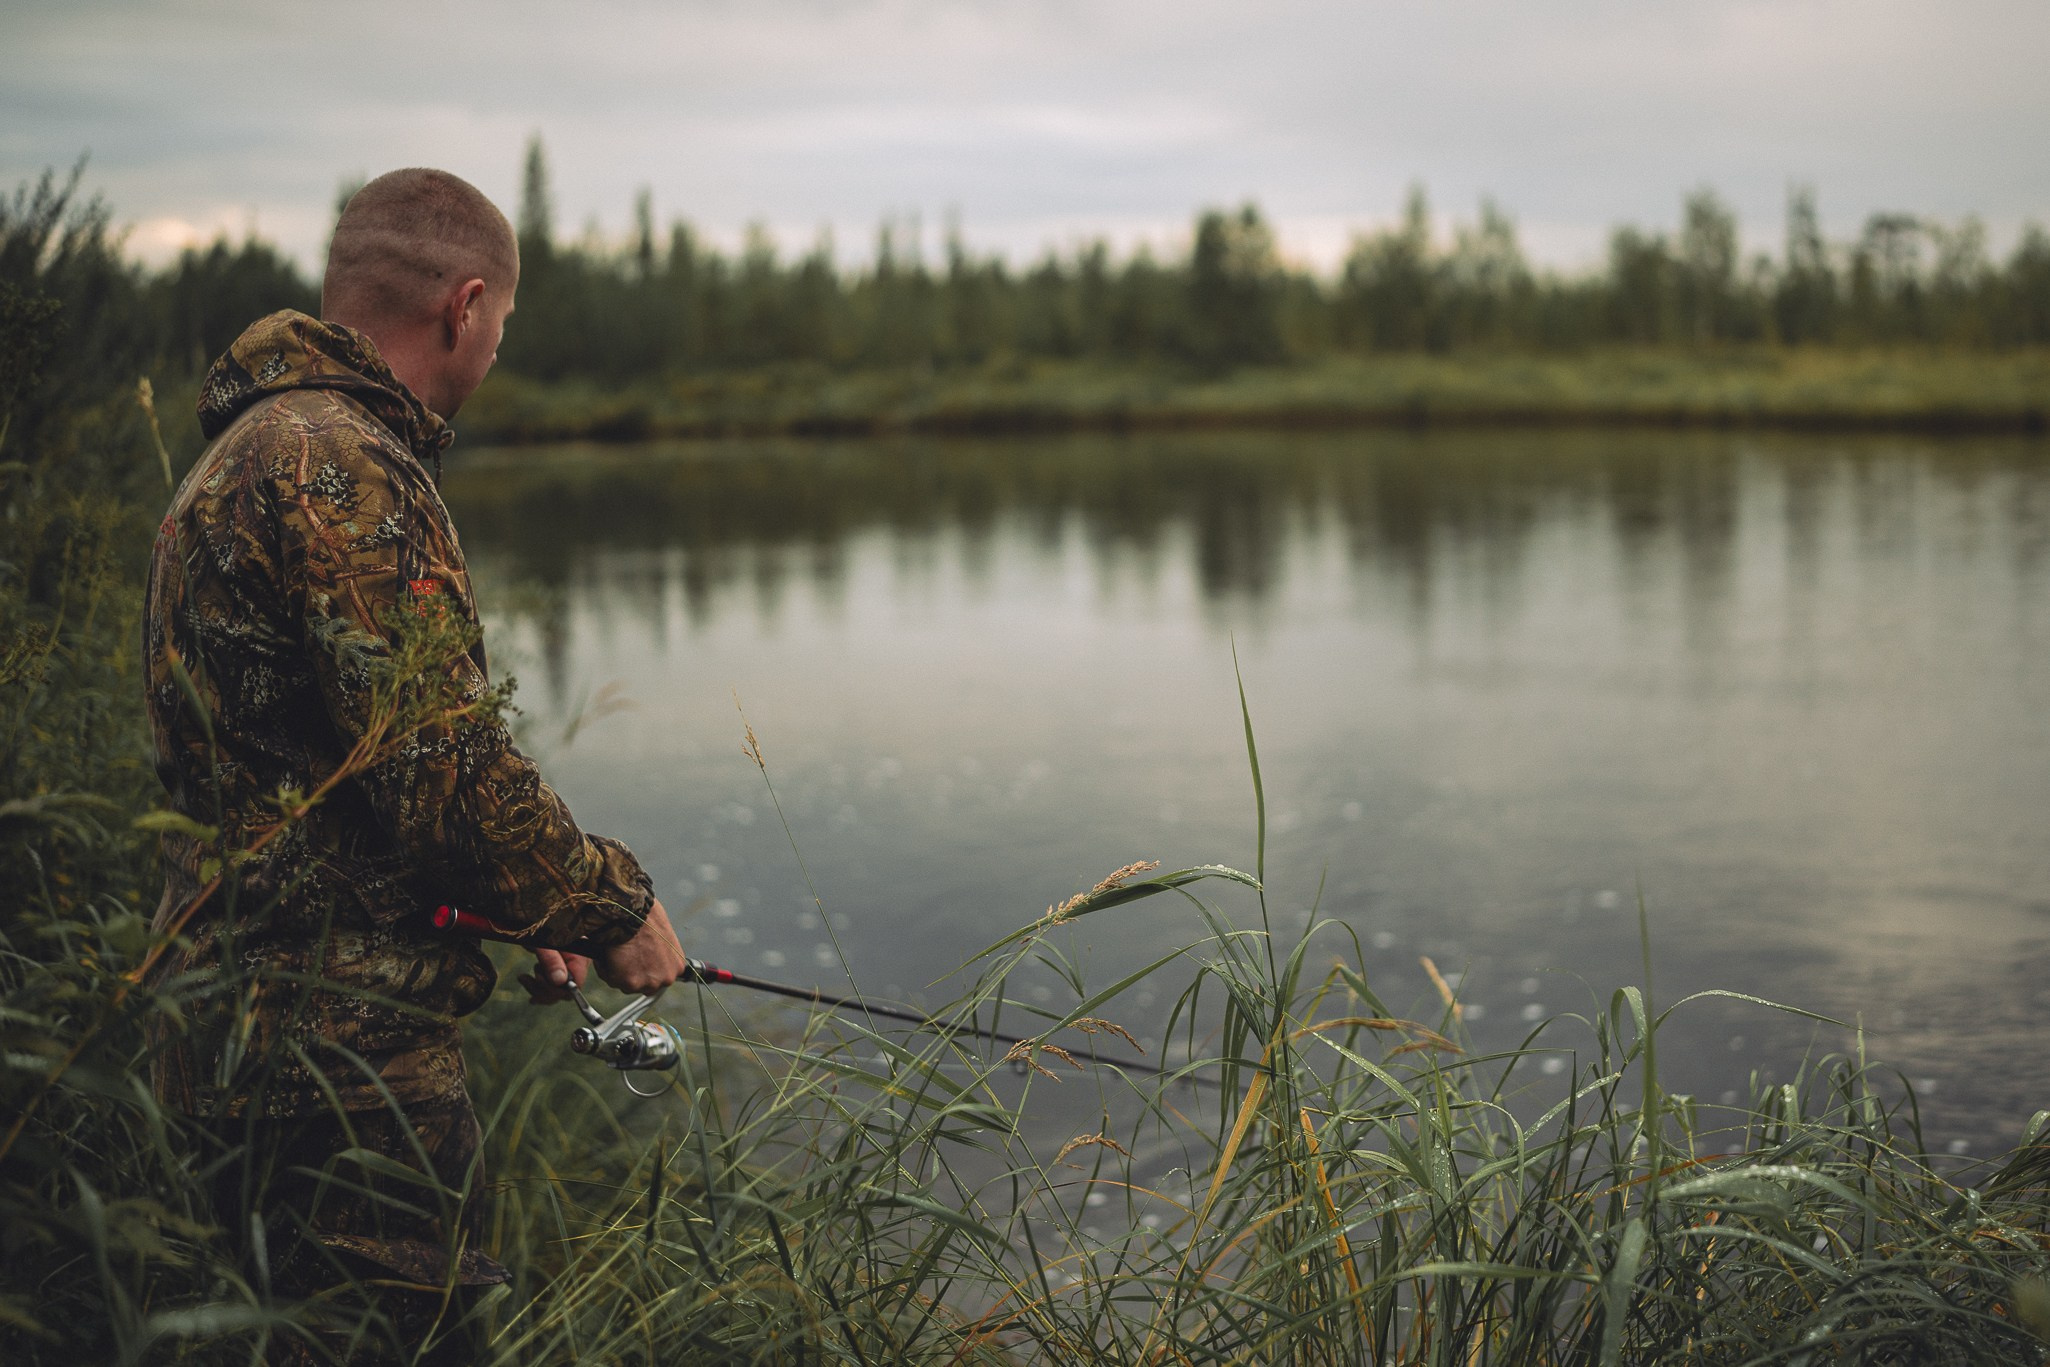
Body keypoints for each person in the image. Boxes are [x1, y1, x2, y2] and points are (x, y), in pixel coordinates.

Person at [141, 167, 687, 1363]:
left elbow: (315, 781)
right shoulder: (344, 467)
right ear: (465, 305)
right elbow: (447, 774)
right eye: (503, 325)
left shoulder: (241, 448)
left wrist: (509, 904)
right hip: (342, 1065)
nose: (495, 349)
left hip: (218, 1033)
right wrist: (612, 905)